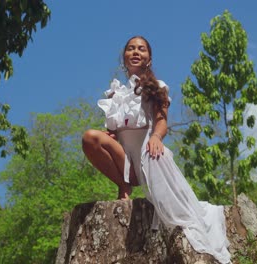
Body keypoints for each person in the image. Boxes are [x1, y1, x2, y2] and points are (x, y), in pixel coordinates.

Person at [82, 36, 231, 264]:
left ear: (149, 58)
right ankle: (123, 185)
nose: (135, 52)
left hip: (148, 155)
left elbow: (162, 121)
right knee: (90, 137)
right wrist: (111, 135)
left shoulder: (156, 87)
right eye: (131, 48)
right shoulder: (116, 94)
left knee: (183, 211)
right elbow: (113, 132)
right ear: (124, 57)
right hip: (126, 164)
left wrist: (156, 137)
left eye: (141, 49)